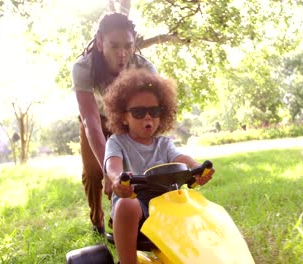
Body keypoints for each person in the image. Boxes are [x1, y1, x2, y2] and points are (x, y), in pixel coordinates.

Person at [103, 68, 214, 264]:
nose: (148, 118)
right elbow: (112, 166)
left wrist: (197, 168)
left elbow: (181, 158)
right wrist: (117, 179)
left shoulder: (164, 144)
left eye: (154, 111)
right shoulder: (117, 142)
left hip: (166, 205)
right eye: (138, 112)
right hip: (134, 203)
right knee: (127, 204)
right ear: (122, 116)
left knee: (194, 202)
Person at [71, 12, 157, 235]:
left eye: (128, 46)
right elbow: (90, 120)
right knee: (92, 172)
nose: (122, 54)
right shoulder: (83, 67)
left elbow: (153, 111)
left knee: (129, 173)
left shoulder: (145, 69)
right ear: (100, 42)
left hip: (127, 119)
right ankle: (97, 220)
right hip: (96, 119)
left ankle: (124, 219)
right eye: (114, 46)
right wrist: (107, 172)